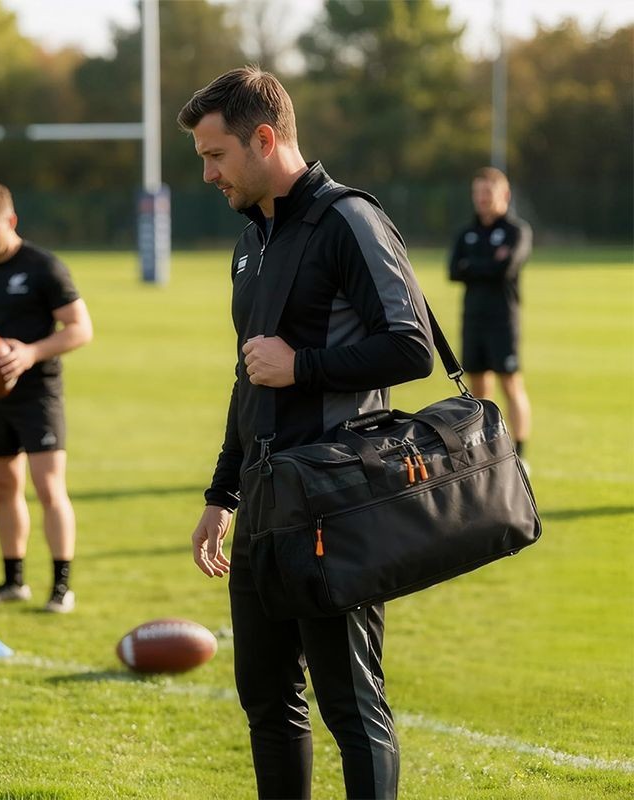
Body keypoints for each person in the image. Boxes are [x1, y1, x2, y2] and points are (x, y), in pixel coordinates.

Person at [178, 67, 434, 800]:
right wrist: (221, 493)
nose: (207, 173)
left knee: (351, 705)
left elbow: (411, 346)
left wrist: (305, 366)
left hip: (333, 499)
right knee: (266, 697)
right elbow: (248, 375)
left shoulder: (349, 219)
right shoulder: (249, 240)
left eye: (215, 154)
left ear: (265, 138)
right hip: (262, 498)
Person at [0, 179, 93, 614]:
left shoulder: (44, 267)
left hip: (39, 393)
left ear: (10, 221)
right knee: (2, 485)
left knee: (49, 487)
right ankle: (13, 581)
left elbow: (81, 329)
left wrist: (29, 353)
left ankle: (61, 587)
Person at [448, 166, 533, 465]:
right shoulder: (467, 232)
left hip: (503, 320)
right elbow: (453, 271)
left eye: (488, 192)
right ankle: (486, 451)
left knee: (511, 384)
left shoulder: (517, 231)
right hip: (473, 319)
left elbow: (506, 269)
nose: (482, 199)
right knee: (479, 390)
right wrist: (486, 265)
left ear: (504, 194)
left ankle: (520, 454)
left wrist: (474, 267)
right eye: (478, 193)